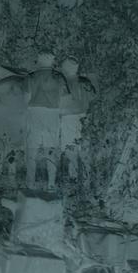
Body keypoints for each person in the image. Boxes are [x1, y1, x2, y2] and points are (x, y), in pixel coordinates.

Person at [24, 51, 69, 192]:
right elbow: (66, 97)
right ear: (52, 61)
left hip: (35, 112)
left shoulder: (31, 76)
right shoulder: (59, 77)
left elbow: (26, 98)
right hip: (52, 113)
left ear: (38, 61)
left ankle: (30, 182)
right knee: (51, 147)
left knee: (32, 147)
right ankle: (51, 183)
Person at [59, 56, 96, 184]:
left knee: (70, 146)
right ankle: (86, 174)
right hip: (84, 118)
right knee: (84, 145)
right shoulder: (85, 81)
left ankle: (74, 175)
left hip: (69, 118)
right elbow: (93, 97)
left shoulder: (63, 83)